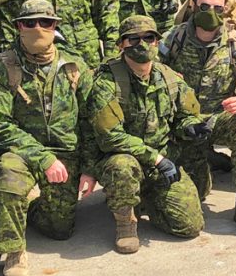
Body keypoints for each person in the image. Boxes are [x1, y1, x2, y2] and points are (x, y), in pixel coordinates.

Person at [0, 0, 98, 276]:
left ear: (55, 26)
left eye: (45, 23)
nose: (37, 28)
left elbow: (90, 121)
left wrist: (89, 166)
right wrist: (43, 158)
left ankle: (29, 207)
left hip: (66, 151)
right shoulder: (3, 69)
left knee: (59, 230)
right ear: (18, 27)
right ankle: (14, 251)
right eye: (29, 23)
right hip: (22, 152)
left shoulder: (74, 67)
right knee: (7, 175)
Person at [159, 0, 236, 233]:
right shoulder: (174, 38)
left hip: (219, 119)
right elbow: (149, 72)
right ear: (194, 5)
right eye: (204, 6)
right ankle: (203, 164)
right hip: (181, 124)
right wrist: (168, 81)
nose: (210, 12)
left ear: (225, 9)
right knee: (187, 198)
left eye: (217, 8)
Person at [87, 15, 206, 253]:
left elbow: (185, 116)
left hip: (161, 162)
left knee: (189, 226)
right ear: (121, 45)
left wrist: (191, 126)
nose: (142, 44)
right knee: (123, 164)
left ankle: (146, 200)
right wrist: (156, 159)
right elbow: (110, 136)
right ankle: (126, 223)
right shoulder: (107, 81)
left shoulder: (169, 77)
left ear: (156, 42)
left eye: (148, 38)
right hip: (122, 160)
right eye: (133, 39)